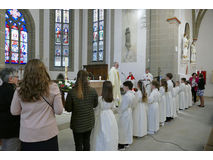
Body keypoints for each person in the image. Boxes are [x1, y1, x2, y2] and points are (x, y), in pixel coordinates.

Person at [10, 59, 64, 151]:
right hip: (48, 133)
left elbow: (14, 111)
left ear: (26, 73)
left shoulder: (19, 90)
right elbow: (59, 111)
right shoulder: (53, 87)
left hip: (28, 135)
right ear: (43, 71)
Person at [65, 70, 98, 151]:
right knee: (87, 143)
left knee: (78, 145)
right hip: (89, 122)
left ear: (77, 77)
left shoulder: (72, 92)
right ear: (87, 78)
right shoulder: (93, 91)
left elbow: (68, 109)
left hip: (77, 123)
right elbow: (95, 105)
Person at [91, 81, 118, 151]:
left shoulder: (100, 98)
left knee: (101, 134)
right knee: (110, 133)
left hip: (102, 116)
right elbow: (114, 108)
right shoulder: (112, 98)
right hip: (111, 116)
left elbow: (97, 109)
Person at [0, 68, 20, 151]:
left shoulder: (1, 89)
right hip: (12, 129)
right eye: (16, 77)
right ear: (10, 79)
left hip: (3, 128)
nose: (18, 79)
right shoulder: (13, 92)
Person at [118, 81, 135, 150]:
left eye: (123, 86)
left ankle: (122, 145)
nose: (123, 87)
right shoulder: (132, 94)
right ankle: (127, 142)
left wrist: (117, 110)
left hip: (125, 113)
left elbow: (123, 107)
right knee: (128, 128)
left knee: (123, 128)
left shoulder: (127, 95)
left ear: (127, 87)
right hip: (129, 111)